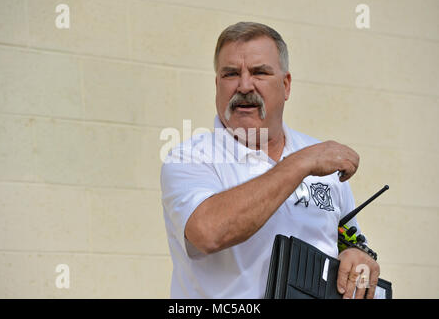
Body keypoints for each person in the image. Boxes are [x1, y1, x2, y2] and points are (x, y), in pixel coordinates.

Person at [161, 22, 380, 299]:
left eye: (259, 72)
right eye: (230, 74)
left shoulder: (318, 156)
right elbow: (208, 232)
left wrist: (356, 255)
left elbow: (347, 237)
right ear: (217, 84)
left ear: (285, 85)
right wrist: (300, 164)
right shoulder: (190, 157)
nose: (244, 85)